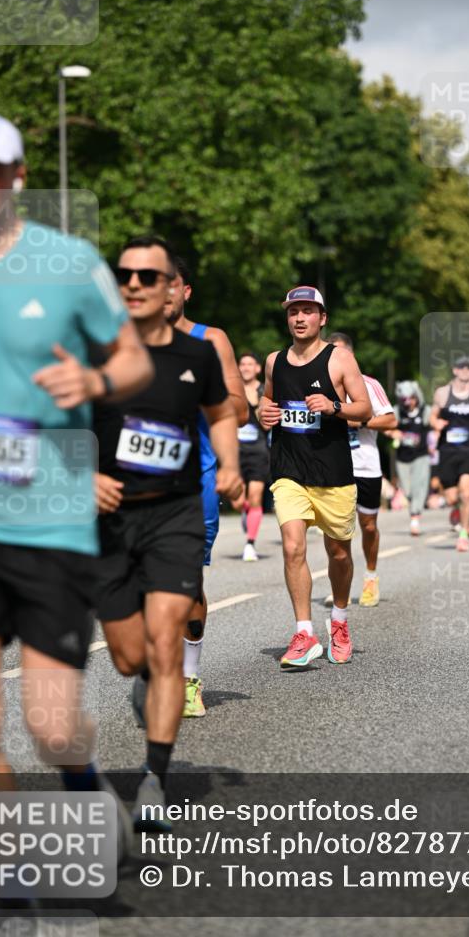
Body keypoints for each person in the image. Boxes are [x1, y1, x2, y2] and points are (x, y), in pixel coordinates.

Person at [0, 112, 153, 858]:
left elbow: (133, 360)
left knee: (53, 726)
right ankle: (14, 877)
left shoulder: (68, 264)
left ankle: (81, 779)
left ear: (18, 179)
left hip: (50, 521)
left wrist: (94, 378)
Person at [92, 236, 243, 825]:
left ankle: (156, 777)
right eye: (124, 275)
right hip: (110, 517)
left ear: (170, 289)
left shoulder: (198, 354)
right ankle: (149, 678)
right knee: (131, 658)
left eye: (148, 276)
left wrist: (229, 464)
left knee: (166, 636)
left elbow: (221, 415)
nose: (135, 284)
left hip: (175, 512)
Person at [258, 287, 372, 667]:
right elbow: (267, 399)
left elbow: (364, 407)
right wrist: (264, 414)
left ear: (322, 318)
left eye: (308, 311)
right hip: (289, 469)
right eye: (294, 312)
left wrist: (333, 406)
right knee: (293, 546)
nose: (299, 318)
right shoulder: (274, 360)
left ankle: (339, 620)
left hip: (334, 473)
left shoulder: (340, 359)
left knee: (339, 552)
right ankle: (304, 632)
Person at [165, 257, 248, 716]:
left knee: (186, 583)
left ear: (185, 291)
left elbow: (240, 408)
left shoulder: (210, 340)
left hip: (194, 479)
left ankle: (188, 677)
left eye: (169, 283)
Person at [326, 333, 396, 606]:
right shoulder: (320, 384)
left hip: (366, 466)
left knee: (367, 526)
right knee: (335, 532)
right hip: (333, 467)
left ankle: (370, 575)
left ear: (351, 356)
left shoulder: (368, 384)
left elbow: (390, 420)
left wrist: (360, 423)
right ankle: (340, 583)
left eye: (341, 353)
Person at [429, 356, 469, 552]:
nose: (465, 371)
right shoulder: (442, 394)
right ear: (455, 370)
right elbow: (433, 415)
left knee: (466, 492)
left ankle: (464, 534)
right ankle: (460, 509)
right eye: (461, 368)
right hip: (447, 451)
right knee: (451, 498)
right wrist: (435, 423)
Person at [237, 352, 270, 562]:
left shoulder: (265, 391)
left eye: (250, 364)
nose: (246, 367)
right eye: (243, 364)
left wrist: (257, 403)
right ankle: (246, 511)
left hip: (258, 452)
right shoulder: (232, 389)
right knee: (238, 499)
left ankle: (250, 544)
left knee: (255, 497)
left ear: (258, 368)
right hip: (234, 452)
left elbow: (267, 425)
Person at [387, 380, 431, 536]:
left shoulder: (425, 411)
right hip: (403, 457)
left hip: (421, 455)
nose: (408, 402)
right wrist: (393, 433)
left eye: (411, 398)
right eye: (404, 399)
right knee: (407, 489)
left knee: (420, 486)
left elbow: (436, 425)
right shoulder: (397, 411)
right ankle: (414, 509)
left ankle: (415, 517)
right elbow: (386, 427)